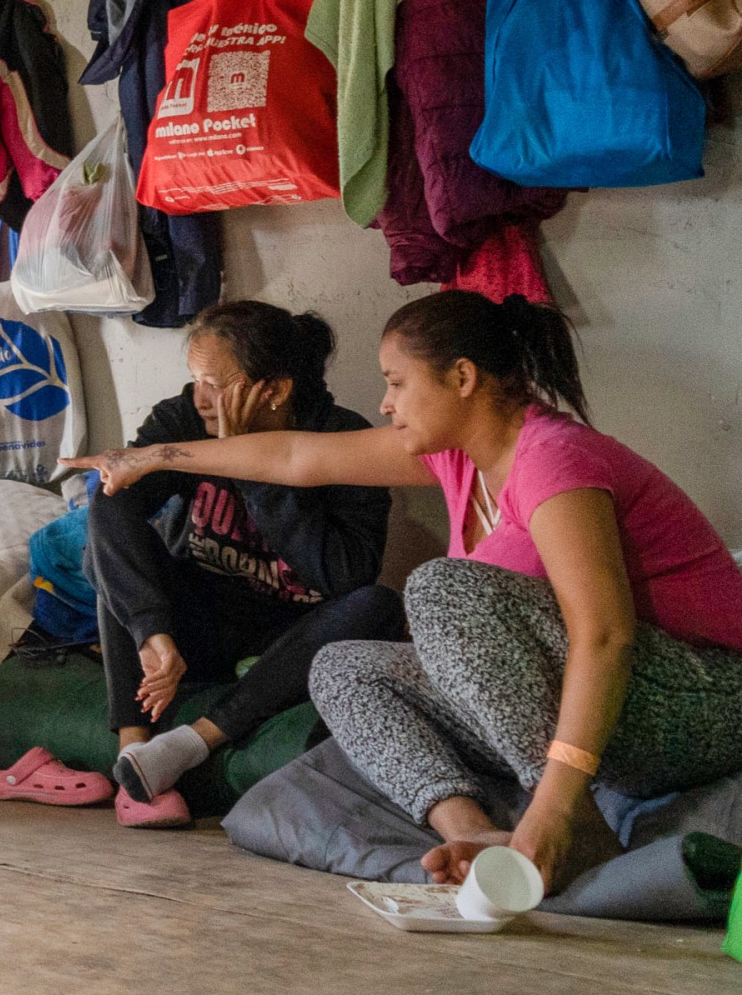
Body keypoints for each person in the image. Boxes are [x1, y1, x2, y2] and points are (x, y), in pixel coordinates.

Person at [68, 291, 742, 894]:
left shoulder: (555, 458)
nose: (385, 401)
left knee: (440, 589)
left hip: (700, 696)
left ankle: (574, 821)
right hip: (608, 704)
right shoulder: (455, 456)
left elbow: (604, 633)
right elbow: (293, 459)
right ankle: (471, 832)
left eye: (397, 382)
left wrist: (556, 804)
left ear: (463, 378)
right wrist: (154, 457)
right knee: (343, 667)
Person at [86, 302, 399, 824]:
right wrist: (150, 630)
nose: (201, 399)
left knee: (377, 605)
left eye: (214, 383)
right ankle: (133, 751)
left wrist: (249, 464)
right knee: (111, 548)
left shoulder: (341, 438)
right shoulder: (186, 416)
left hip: (284, 638)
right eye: (195, 381)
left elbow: (346, 577)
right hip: (199, 625)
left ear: (273, 390)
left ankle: (192, 742)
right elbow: (116, 500)